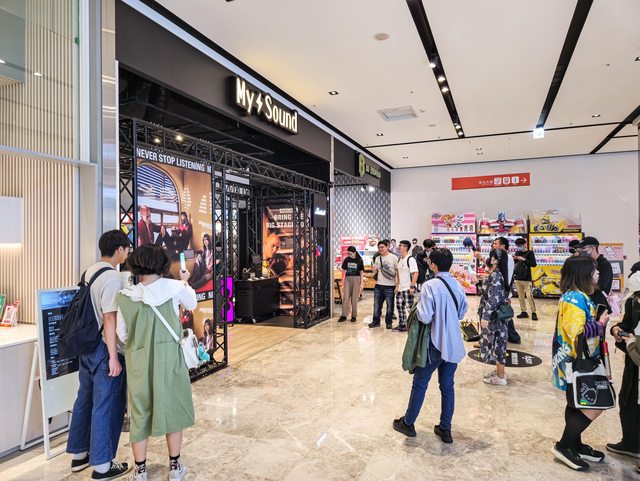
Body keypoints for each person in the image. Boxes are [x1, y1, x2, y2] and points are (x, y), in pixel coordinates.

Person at [116, 245, 197, 481]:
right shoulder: (175, 287)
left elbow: (122, 333)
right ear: (162, 263)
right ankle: (175, 467)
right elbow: (191, 304)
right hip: (169, 358)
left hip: (138, 361)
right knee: (173, 407)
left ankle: (140, 471)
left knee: (140, 412)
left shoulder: (126, 296)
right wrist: (185, 281)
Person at [66, 230, 131, 479]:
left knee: (85, 398)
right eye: (126, 248)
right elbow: (109, 318)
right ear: (119, 250)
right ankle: (103, 464)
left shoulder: (90, 271)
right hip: (104, 347)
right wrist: (114, 357)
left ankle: (79, 454)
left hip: (86, 345)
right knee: (107, 403)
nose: (127, 253)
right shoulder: (113, 278)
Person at [393, 248, 468, 443]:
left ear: (433, 265)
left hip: (433, 343)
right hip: (453, 343)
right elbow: (461, 313)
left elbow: (425, 316)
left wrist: (417, 310)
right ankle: (445, 429)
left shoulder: (429, 286)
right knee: (447, 386)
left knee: (420, 383)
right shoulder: (458, 285)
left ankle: (408, 423)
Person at [551, 256, 609, 471]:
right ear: (584, 273)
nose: (598, 273)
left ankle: (574, 443)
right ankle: (564, 445)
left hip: (580, 360)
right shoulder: (574, 298)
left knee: (576, 401)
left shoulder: (579, 296)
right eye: (594, 270)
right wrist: (601, 323)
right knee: (595, 404)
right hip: (577, 361)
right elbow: (577, 332)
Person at [607, 267, 640, 462]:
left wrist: (631, 342)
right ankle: (631, 443)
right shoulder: (633, 302)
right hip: (633, 362)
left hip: (636, 354)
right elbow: (627, 324)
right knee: (627, 399)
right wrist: (617, 329)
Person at [476, 237, 520, 343]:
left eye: (496, 244)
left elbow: (493, 298)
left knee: (500, 316)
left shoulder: (506, 260)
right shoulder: (499, 267)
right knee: (502, 317)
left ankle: (509, 338)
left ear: (503, 246)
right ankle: (508, 338)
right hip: (500, 294)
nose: (493, 245)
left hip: (498, 295)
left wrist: (485, 317)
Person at [478, 249, 511, 386]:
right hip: (498, 316)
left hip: (494, 317)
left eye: (493, 256)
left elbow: (493, 299)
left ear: (497, 259)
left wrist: (485, 316)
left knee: (497, 345)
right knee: (498, 343)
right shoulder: (499, 273)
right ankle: (499, 372)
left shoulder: (496, 275)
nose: (490, 258)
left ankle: (500, 376)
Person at [576, 236, 613, 316]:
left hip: (599, 306)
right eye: (579, 249)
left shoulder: (604, 265)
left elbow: (600, 286)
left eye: (583, 248)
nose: (581, 251)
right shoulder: (586, 263)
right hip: (587, 304)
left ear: (593, 248)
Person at [369, 240, 399, 328]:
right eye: (379, 247)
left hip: (390, 286)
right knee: (377, 305)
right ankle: (376, 321)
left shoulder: (394, 257)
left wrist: (397, 284)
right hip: (378, 285)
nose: (380, 249)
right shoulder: (377, 258)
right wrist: (373, 269)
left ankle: (388, 322)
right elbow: (376, 272)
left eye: (382, 247)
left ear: (387, 247)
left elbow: (398, 272)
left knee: (390, 306)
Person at [393, 240, 419, 332]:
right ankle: (402, 324)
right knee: (400, 307)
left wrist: (412, 286)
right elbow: (398, 273)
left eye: (400, 245)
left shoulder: (410, 259)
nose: (399, 247)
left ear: (406, 247)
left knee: (410, 309)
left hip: (408, 288)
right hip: (400, 289)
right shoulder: (400, 259)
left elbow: (415, 273)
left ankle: (413, 326)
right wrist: (397, 285)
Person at [513, 237, 538, 321]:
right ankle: (523, 311)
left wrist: (523, 259)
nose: (518, 247)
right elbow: (515, 264)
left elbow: (533, 264)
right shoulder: (517, 252)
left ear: (524, 244)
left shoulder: (530, 253)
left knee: (529, 295)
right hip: (518, 277)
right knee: (520, 296)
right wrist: (515, 259)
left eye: (520, 245)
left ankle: (533, 312)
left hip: (527, 278)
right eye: (517, 245)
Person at [338, 246, 364, 322]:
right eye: (348, 253)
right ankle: (344, 315)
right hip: (347, 279)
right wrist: (343, 281)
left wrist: (361, 283)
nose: (349, 255)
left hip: (356, 279)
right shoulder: (346, 259)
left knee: (354, 298)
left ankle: (354, 316)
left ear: (354, 252)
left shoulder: (359, 260)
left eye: (350, 253)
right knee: (345, 297)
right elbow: (344, 271)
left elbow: (361, 272)